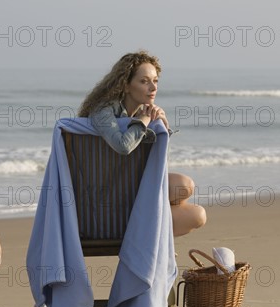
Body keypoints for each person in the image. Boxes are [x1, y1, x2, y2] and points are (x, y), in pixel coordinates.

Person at [78, 50, 206, 237]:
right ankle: (152, 244)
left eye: (155, 81)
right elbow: (122, 145)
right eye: (144, 81)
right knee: (183, 187)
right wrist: (144, 121)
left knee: (194, 206)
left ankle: (155, 245)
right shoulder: (103, 111)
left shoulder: (139, 113)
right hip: (107, 205)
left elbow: (158, 166)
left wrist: (163, 128)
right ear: (126, 85)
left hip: (132, 191)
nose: (153, 88)